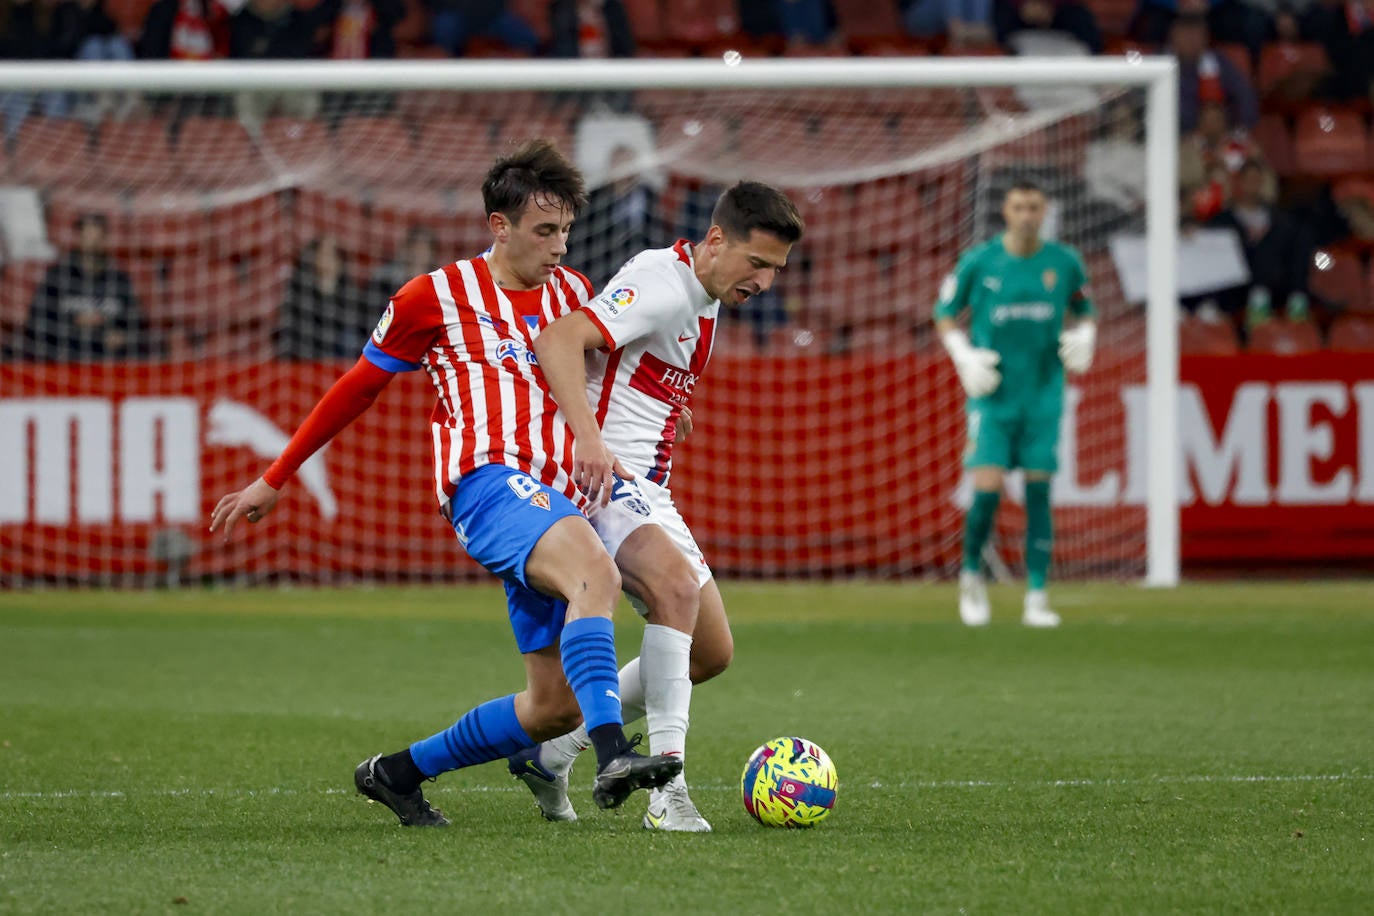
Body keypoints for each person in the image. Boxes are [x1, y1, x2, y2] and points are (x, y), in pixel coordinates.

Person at [209, 140, 682, 827]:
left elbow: (603, 383)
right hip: (486, 486)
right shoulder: (432, 296)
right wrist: (274, 477)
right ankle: (614, 755)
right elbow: (356, 389)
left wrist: (670, 409)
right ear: (500, 225)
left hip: (557, 500)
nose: (559, 246)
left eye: (566, 231)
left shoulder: (575, 294)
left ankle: (398, 773)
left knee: (553, 705)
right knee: (597, 576)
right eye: (545, 231)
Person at [505, 181, 805, 830]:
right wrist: (588, 440)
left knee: (711, 653)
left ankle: (553, 752)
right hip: (605, 480)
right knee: (673, 588)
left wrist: (671, 411)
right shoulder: (664, 280)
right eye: (757, 263)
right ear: (716, 241)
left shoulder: (703, 292)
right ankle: (667, 794)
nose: (765, 282)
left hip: (649, 487)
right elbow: (558, 338)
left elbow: (624, 362)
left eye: (776, 270)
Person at [933, 180, 1095, 628]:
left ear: (1045, 212)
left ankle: (1037, 595)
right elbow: (944, 312)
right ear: (1006, 210)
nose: (1027, 214)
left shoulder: (1063, 263)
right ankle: (970, 578)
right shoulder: (981, 262)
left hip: (1043, 395)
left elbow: (1085, 307)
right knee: (986, 491)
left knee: (1040, 492)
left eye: (1035, 207)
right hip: (993, 397)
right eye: (1019, 206)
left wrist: (1085, 335)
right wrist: (964, 356)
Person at [21, 213, 149, 361]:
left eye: (97, 239)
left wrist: (121, 335)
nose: (92, 245)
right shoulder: (56, 277)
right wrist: (74, 322)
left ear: (105, 240)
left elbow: (137, 322)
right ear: (78, 239)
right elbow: (36, 322)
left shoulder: (119, 280)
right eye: (87, 238)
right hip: (64, 355)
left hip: (108, 357)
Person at [275, 234, 373, 360]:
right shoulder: (299, 291)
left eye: (332, 255)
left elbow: (359, 330)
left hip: (341, 360)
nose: (329, 260)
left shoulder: (351, 293)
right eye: (324, 254)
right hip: (306, 359)